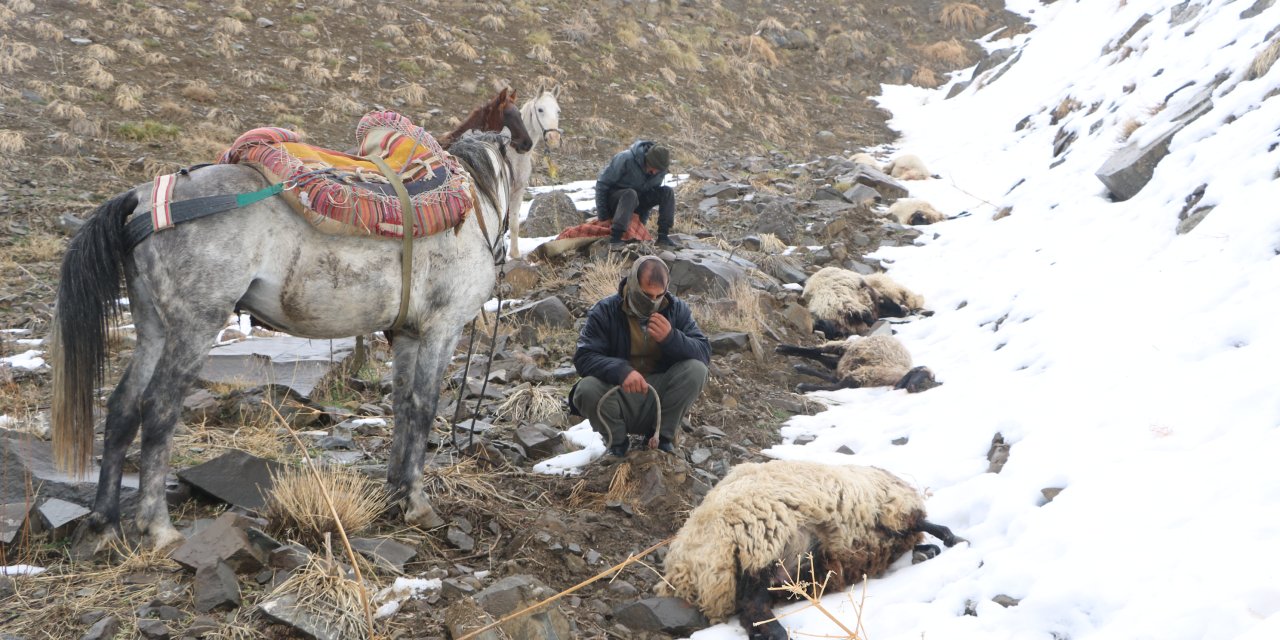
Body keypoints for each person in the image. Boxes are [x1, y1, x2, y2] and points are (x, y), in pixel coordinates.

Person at [569, 256, 710, 457]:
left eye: (658, 296)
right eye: (646, 295)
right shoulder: (605, 310)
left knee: (696, 370)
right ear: (633, 283)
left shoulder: (676, 309)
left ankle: (661, 438)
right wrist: (621, 371)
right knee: (586, 389)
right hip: (618, 395)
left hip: (660, 397)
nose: (652, 302)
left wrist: (671, 338)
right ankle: (617, 445)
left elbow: (704, 352)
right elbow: (584, 357)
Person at [594, 140, 678, 249]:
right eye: (653, 167)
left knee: (667, 192)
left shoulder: (660, 170)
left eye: (659, 170)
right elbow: (602, 185)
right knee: (630, 193)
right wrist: (603, 217)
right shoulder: (625, 159)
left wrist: (641, 224)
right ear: (647, 159)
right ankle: (615, 239)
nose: (655, 172)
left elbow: (648, 197)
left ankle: (663, 237)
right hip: (615, 203)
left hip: (635, 205)